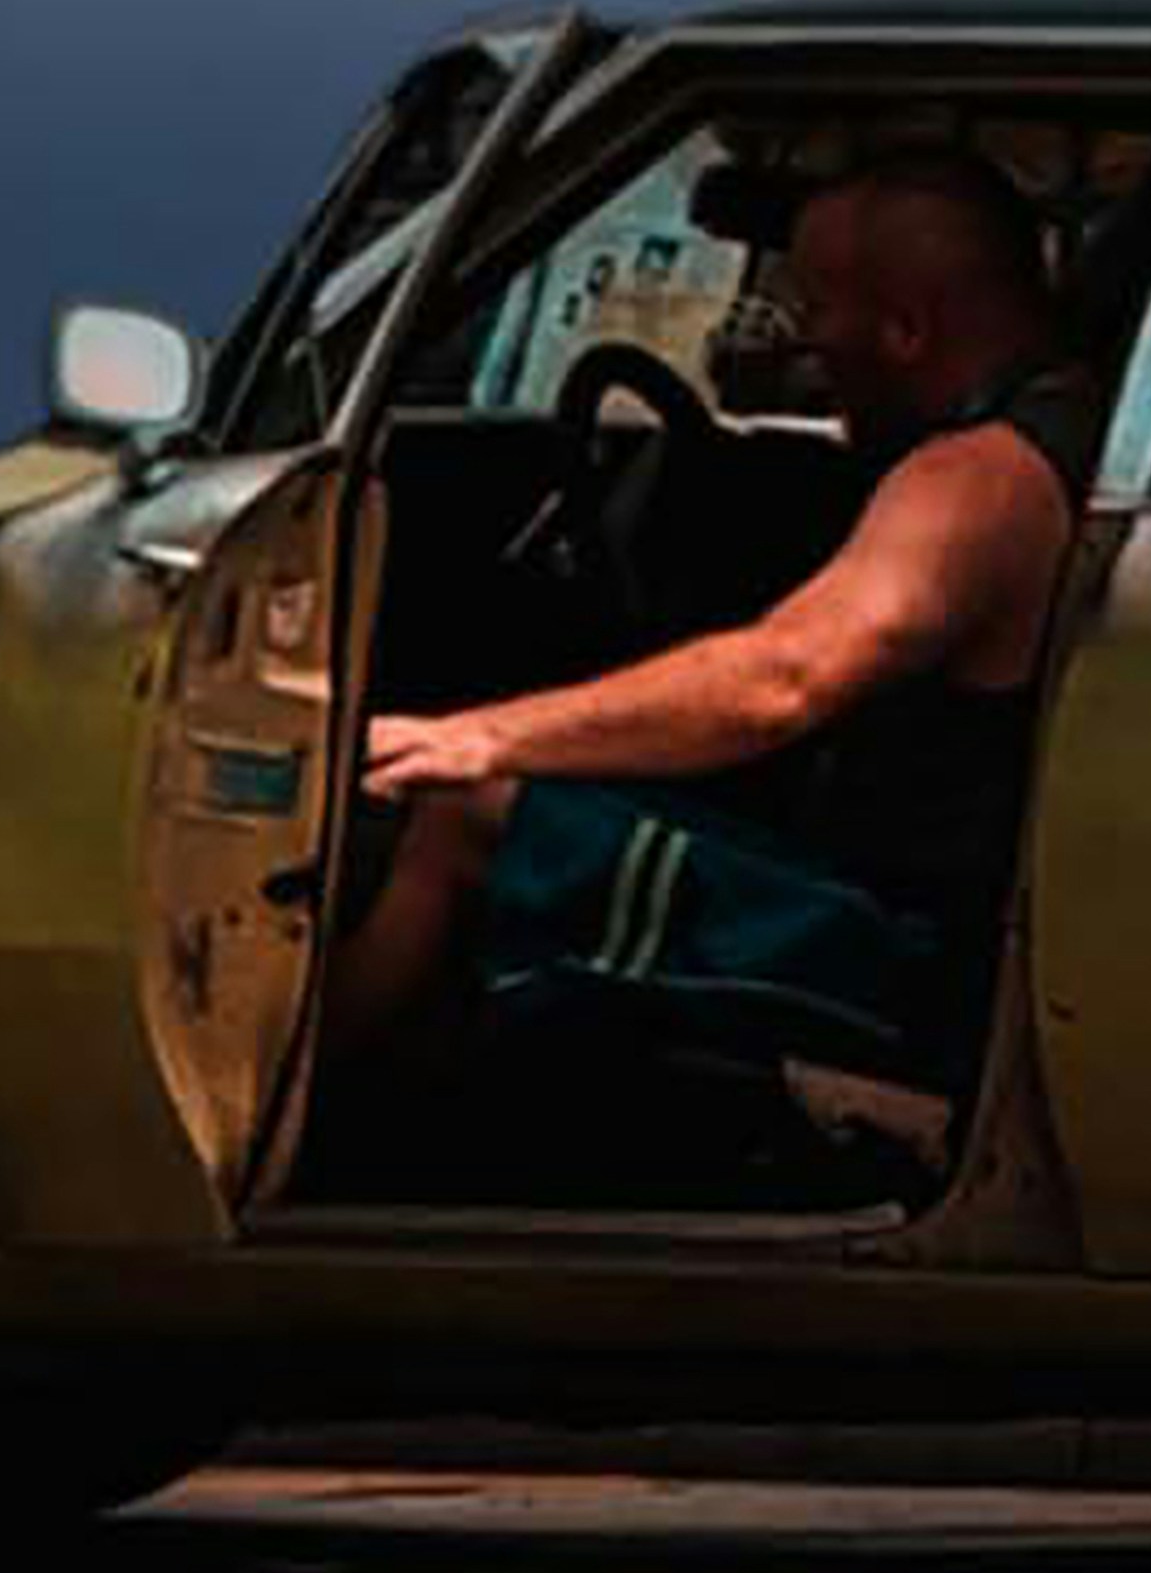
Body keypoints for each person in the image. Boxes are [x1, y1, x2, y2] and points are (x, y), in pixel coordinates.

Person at [326, 147, 1092, 1142]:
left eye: (818, 317)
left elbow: (782, 678)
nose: (804, 346)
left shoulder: (975, 481)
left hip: (897, 956)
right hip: (939, 911)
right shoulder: (1078, 414)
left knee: (463, 813)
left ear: (905, 329)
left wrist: (483, 736)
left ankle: (301, 1124)